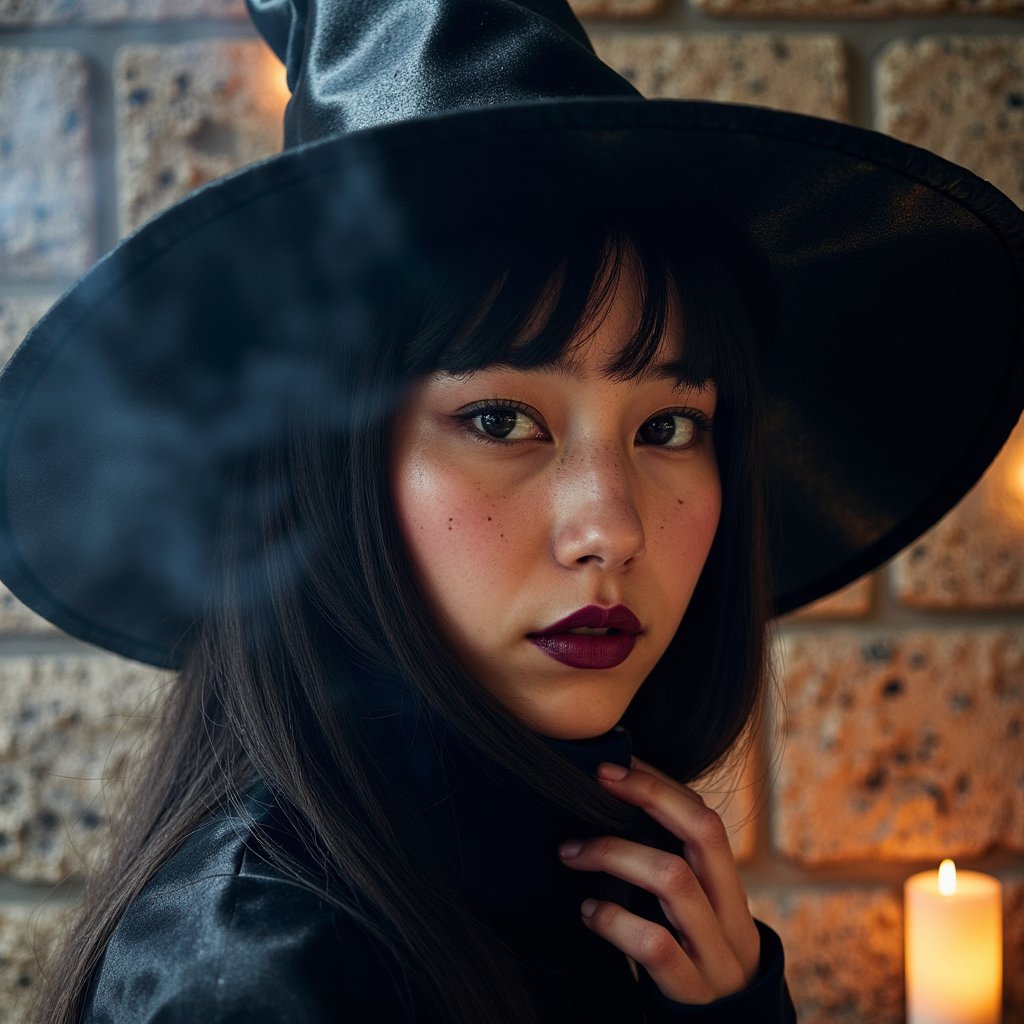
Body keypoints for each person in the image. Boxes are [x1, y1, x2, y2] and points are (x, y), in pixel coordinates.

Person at [0, 1, 1021, 1022]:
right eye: (500, 419)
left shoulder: (621, 901)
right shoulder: (260, 970)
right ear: (325, 469)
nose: (610, 527)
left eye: (668, 427)